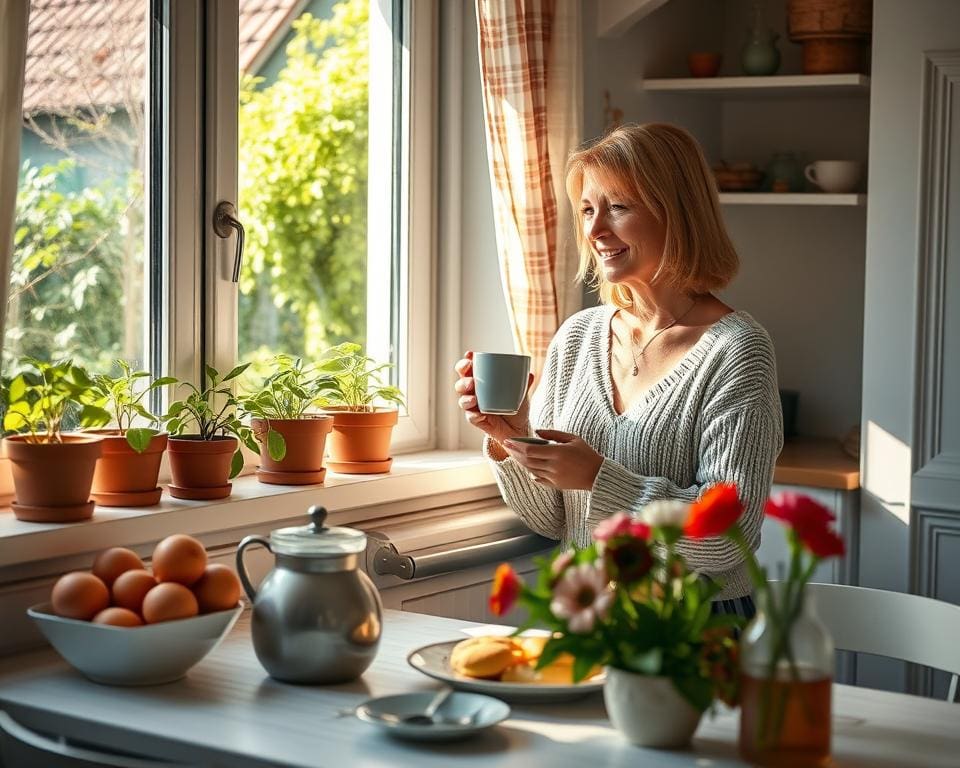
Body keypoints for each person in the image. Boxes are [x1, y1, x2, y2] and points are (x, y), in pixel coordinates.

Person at [454, 123, 783, 616]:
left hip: (694, 631)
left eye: (618, 208)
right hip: (592, 623)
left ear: (678, 213)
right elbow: (552, 519)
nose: (594, 231)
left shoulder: (737, 349)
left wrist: (600, 480)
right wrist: (512, 436)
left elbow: (726, 540)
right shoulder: (578, 336)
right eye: (587, 210)